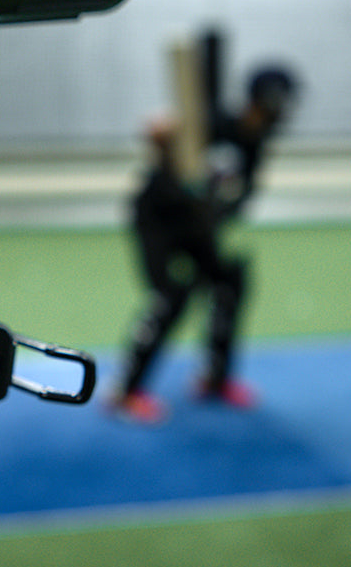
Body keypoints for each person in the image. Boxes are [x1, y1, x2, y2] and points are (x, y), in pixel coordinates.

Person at [109, 65, 298, 424]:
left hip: (198, 225)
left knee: (230, 280)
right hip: (159, 222)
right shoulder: (212, 123)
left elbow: (240, 195)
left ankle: (215, 379)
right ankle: (125, 391)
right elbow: (167, 138)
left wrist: (216, 211)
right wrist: (163, 140)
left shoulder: (255, 143)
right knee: (171, 298)